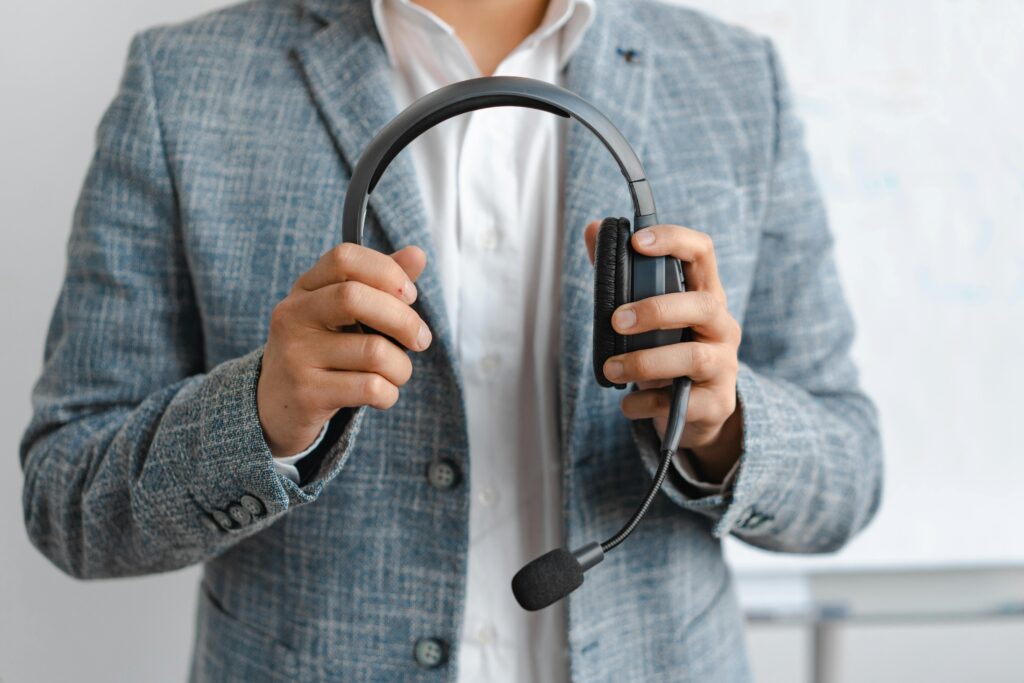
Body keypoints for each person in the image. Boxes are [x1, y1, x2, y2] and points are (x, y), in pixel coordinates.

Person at [19, 0, 882, 680]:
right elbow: (70, 502)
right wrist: (257, 416)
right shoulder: (185, 81)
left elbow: (849, 474)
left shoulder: (735, 80)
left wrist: (724, 428)